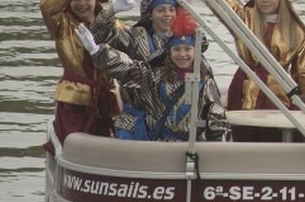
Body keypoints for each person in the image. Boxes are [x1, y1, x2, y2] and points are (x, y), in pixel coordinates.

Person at [209, 0, 305, 141]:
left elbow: (304, 72)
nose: (265, 0)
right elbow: (217, 2)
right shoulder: (245, 18)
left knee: (275, 136)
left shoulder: (297, 31)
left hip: (279, 94)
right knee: (245, 136)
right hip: (245, 87)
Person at [77, 10, 228, 142]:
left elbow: (216, 115)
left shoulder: (205, 82)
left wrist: (213, 148)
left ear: (195, 52)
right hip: (159, 146)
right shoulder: (156, 76)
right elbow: (128, 69)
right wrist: (98, 52)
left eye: (187, 49)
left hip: (192, 148)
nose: (182, 54)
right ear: (169, 52)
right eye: (177, 49)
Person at [39, 0, 131, 147]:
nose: (81, 4)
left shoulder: (112, 23)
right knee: (72, 149)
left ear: (97, 0)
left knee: (105, 149)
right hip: (74, 102)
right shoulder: (62, 24)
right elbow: (46, 6)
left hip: (106, 100)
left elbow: (133, 49)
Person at [98, 0, 179, 64]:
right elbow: (100, 37)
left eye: (172, 10)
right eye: (161, 10)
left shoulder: (185, 37)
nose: (168, 14)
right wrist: (111, 10)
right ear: (150, 15)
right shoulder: (136, 37)